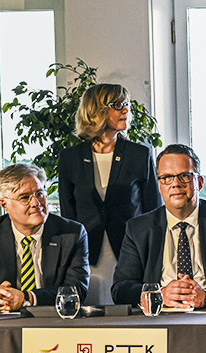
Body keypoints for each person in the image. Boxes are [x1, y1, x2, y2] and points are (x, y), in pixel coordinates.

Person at [111, 144, 206, 309]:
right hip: (159, 320)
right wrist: (158, 295)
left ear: (199, 183)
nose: (175, 184)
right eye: (166, 178)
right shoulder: (138, 229)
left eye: (184, 176)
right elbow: (120, 289)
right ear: (159, 186)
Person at [57, 83, 161, 306]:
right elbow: (67, 215)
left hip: (130, 253)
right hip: (86, 255)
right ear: (97, 110)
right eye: (117, 105)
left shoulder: (139, 154)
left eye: (126, 105)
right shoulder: (69, 158)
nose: (125, 110)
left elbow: (153, 209)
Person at [0, 163, 90, 312]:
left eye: (39, 194)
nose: (36, 203)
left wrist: (27, 298)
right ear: (4, 205)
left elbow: (76, 291)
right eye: (25, 197)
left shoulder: (72, 233)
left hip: (53, 322)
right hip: (0, 323)